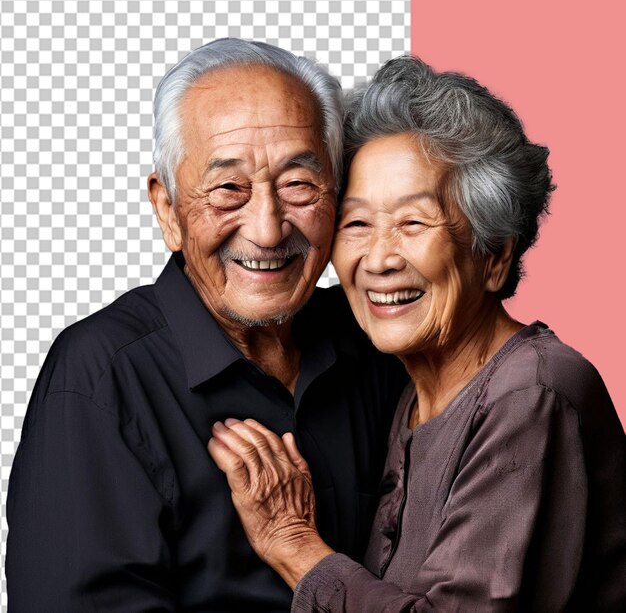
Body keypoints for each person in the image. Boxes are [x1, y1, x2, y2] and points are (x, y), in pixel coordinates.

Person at [209, 55, 626, 612]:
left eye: (413, 222)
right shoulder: (410, 394)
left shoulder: (532, 391)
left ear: (495, 256)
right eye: (356, 223)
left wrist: (296, 548)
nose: (378, 259)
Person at [6, 39, 407, 611]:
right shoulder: (101, 376)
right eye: (228, 189)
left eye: (298, 185)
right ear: (167, 210)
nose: (268, 230)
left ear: (338, 195)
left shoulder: (377, 340)